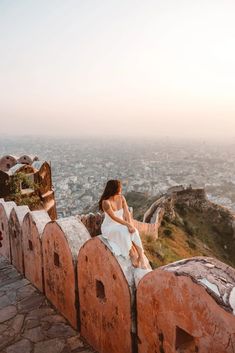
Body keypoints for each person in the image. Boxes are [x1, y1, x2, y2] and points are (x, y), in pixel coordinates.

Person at [99, 179, 150, 269]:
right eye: (119, 188)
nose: (121, 189)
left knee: (135, 232)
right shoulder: (105, 202)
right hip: (110, 227)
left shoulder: (121, 198)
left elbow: (127, 213)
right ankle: (132, 255)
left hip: (122, 224)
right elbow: (114, 218)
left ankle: (141, 257)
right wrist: (127, 225)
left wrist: (131, 225)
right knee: (124, 232)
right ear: (114, 189)